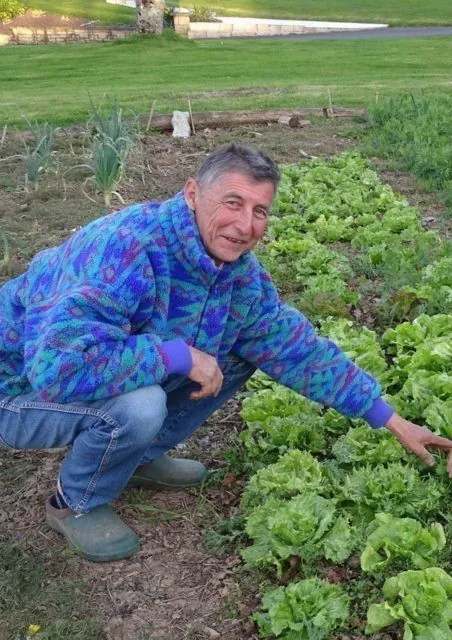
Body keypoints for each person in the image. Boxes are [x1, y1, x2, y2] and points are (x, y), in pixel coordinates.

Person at [1, 143, 451, 562]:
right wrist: (178, 356)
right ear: (193, 194)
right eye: (232, 203)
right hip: (16, 388)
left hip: (71, 375)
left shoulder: (236, 275)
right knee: (141, 404)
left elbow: (295, 348)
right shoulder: (125, 248)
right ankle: (75, 501)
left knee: (238, 352)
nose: (245, 225)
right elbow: (58, 369)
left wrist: (388, 417)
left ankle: (134, 459)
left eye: (260, 211)